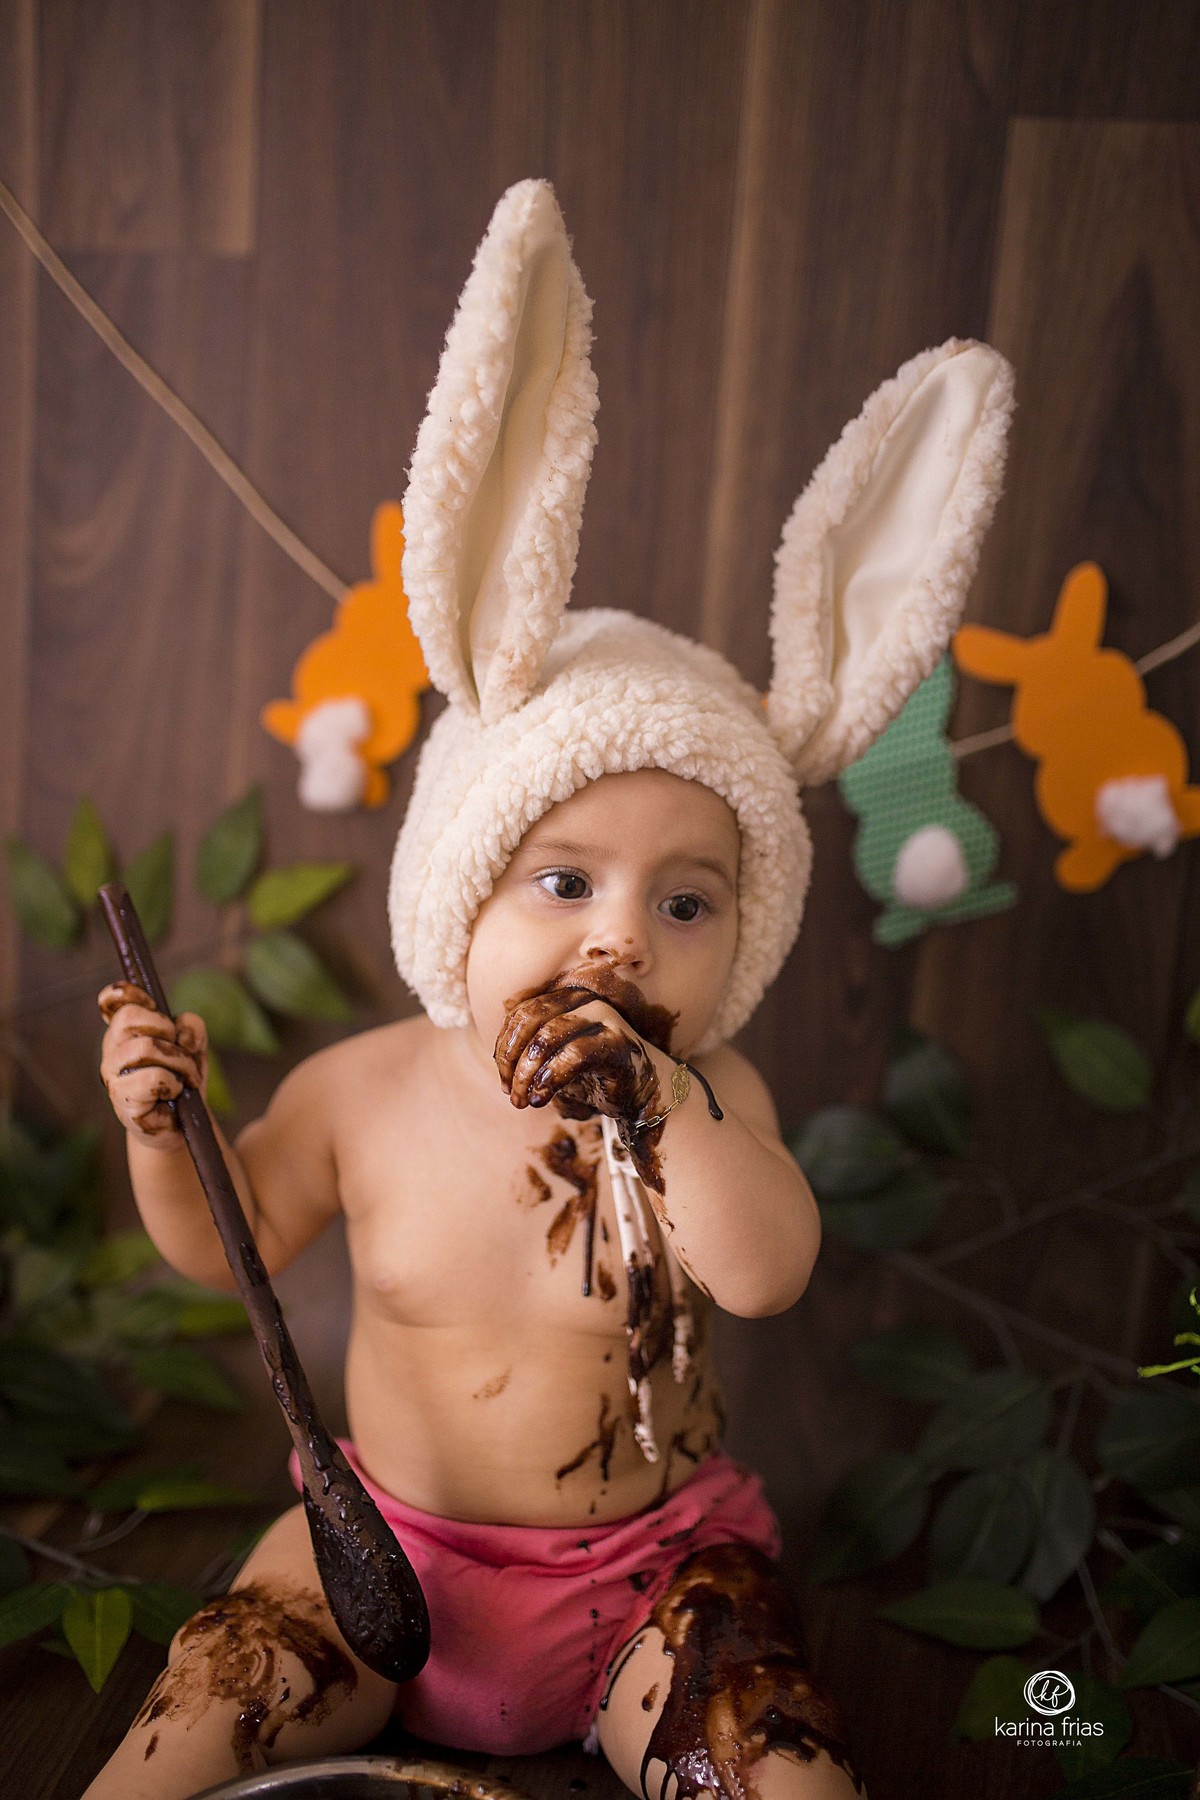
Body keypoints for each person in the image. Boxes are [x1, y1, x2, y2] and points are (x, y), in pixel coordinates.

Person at [83, 180, 1014, 1800]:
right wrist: (168, 1135)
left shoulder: (713, 1103)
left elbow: (770, 1271)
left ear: (744, 938)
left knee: (783, 1768)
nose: (619, 940)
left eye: (686, 900)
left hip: (654, 1580)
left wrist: (669, 1115)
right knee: (180, 1734)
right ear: (463, 887)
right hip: (381, 1557)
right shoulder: (369, 1090)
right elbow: (216, 1240)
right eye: (563, 879)